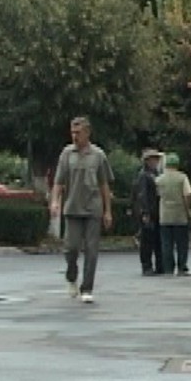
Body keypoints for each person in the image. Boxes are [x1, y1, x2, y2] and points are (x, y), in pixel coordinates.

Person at [50, 116, 114, 304]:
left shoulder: (98, 155)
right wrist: (55, 201)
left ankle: (87, 288)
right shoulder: (67, 154)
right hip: (72, 207)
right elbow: (58, 182)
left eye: (78, 132)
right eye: (72, 132)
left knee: (92, 250)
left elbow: (104, 185)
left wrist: (107, 211)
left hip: (93, 208)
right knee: (71, 248)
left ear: (87, 133)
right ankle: (72, 275)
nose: (75, 136)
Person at [155, 152, 191, 276]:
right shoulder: (182, 178)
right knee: (182, 243)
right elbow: (188, 194)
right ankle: (182, 267)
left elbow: (157, 194)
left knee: (166, 244)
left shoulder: (159, 179)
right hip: (180, 215)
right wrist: (188, 208)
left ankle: (168, 268)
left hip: (165, 214)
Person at [133, 149, 164, 275]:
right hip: (149, 211)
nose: (155, 161)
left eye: (157, 159)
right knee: (146, 241)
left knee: (157, 239)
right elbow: (142, 195)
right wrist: (145, 212)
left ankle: (160, 265)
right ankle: (147, 266)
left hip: (156, 211)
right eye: (153, 159)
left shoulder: (155, 174)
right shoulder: (144, 175)